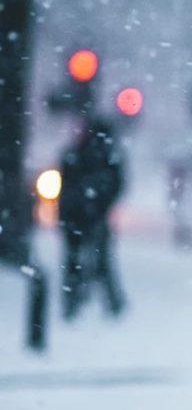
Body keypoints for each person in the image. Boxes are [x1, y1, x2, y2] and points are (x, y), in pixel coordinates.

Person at [58, 118, 126, 320]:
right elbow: (116, 186)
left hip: (77, 216)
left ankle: (73, 301)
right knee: (100, 260)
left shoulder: (76, 154)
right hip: (89, 216)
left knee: (76, 260)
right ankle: (110, 302)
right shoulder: (106, 157)